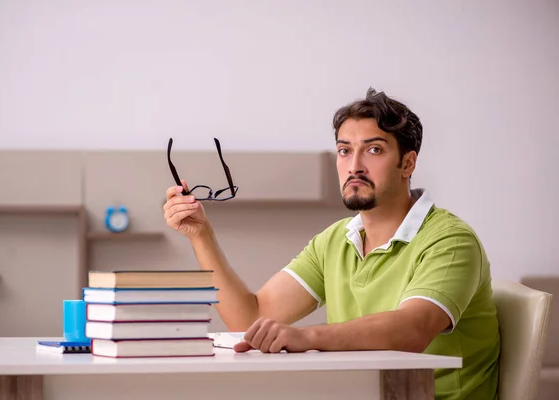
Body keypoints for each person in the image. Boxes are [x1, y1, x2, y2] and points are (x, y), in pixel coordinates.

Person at [163, 88, 500, 400]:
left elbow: (411, 331)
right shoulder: (336, 240)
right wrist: (200, 234)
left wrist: (306, 337)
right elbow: (249, 318)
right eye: (344, 151)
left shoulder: (450, 240)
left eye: (374, 149)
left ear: (407, 163)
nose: (354, 166)